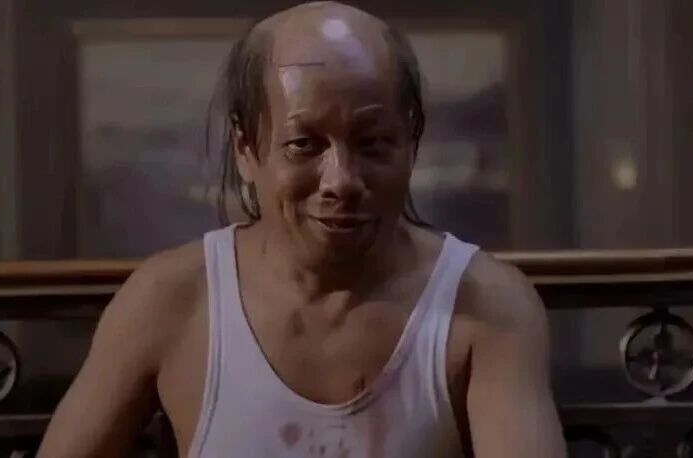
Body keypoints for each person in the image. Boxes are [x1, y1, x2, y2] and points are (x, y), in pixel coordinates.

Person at [39, 2, 565, 457]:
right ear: (246, 149)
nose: (341, 180)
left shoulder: (487, 307)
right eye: (303, 145)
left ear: (412, 141)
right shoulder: (170, 300)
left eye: (372, 144)